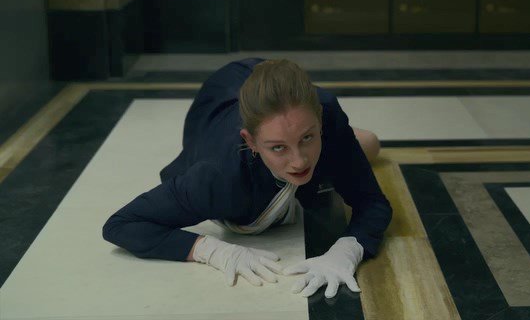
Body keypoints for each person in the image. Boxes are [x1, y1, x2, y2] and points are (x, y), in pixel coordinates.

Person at [102, 58, 392, 299]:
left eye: (308, 137)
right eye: (278, 147)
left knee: (371, 143)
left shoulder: (326, 112)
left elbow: (373, 202)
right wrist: (209, 250)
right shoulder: (216, 175)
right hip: (222, 94)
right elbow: (121, 224)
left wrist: (348, 249)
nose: (299, 161)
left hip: (273, 91)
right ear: (250, 141)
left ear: (320, 121)